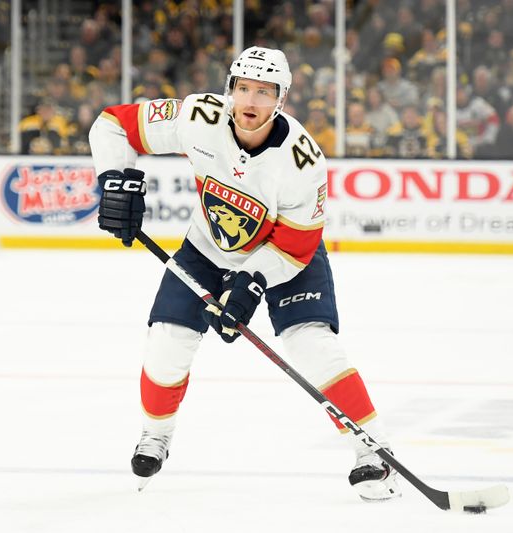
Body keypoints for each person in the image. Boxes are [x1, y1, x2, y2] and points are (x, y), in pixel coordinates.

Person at [88, 46, 400, 501]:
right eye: (244, 89)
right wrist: (116, 179)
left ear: (282, 99)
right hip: (207, 248)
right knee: (166, 343)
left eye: (264, 92)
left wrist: (251, 282)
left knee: (313, 346)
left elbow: (295, 246)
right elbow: (112, 125)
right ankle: (155, 436)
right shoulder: (198, 115)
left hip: (288, 256)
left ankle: (373, 452)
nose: (250, 102)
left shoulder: (303, 162)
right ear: (229, 89)